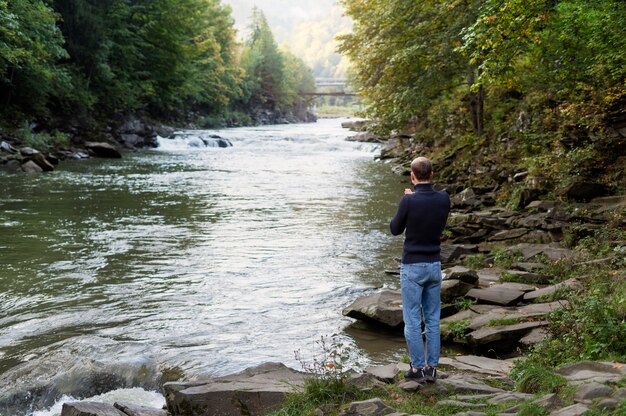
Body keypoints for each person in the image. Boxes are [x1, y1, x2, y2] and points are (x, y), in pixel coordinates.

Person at [390, 157, 450, 383]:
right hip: (434, 264)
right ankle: (431, 368)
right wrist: (413, 198)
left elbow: (395, 229)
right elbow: (432, 211)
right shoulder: (444, 198)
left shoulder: (409, 201)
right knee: (433, 319)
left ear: (412, 176)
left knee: (413, 321)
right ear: (432, 174)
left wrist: (408, 200)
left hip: (412, 266)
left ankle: (416, 369)